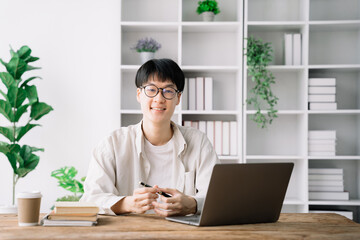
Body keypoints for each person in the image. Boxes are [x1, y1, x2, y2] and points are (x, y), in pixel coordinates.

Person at [80, 58, 219, 216]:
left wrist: (192, 204)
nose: (159, 99)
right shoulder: (112, 144)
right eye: (151, 90)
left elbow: (218, 199)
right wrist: (127, 204)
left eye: (168, 91)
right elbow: (90, 200)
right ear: (139, 94)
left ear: (178, 98)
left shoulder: (199, 142)